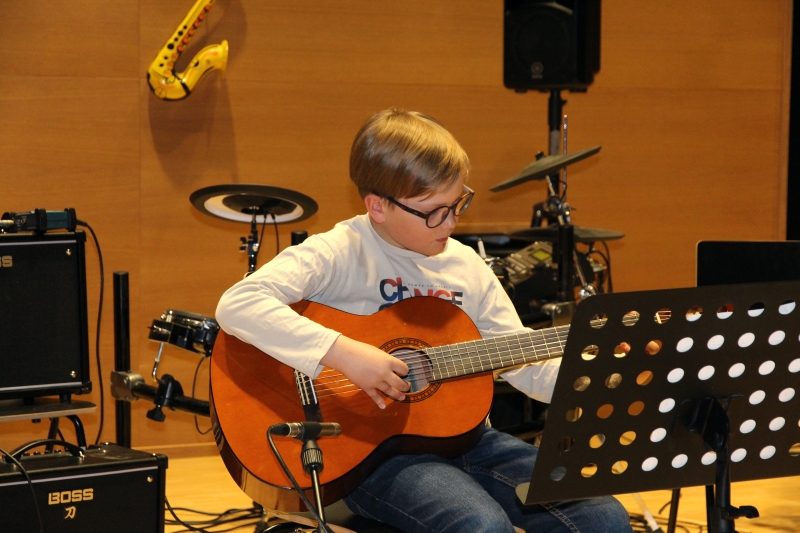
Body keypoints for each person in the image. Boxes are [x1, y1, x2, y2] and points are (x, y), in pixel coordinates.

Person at [216, 108, 632, 532]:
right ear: (378, 206)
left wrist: (607, 371)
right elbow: (239, 303)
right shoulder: (339, 251)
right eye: (433, 211)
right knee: (481, 526)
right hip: (368, 453)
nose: (450, 222)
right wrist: (346, 355)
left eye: (457, 204)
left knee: (602, 516)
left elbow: (526, 365)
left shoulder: (465, 266)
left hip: (470, 441)